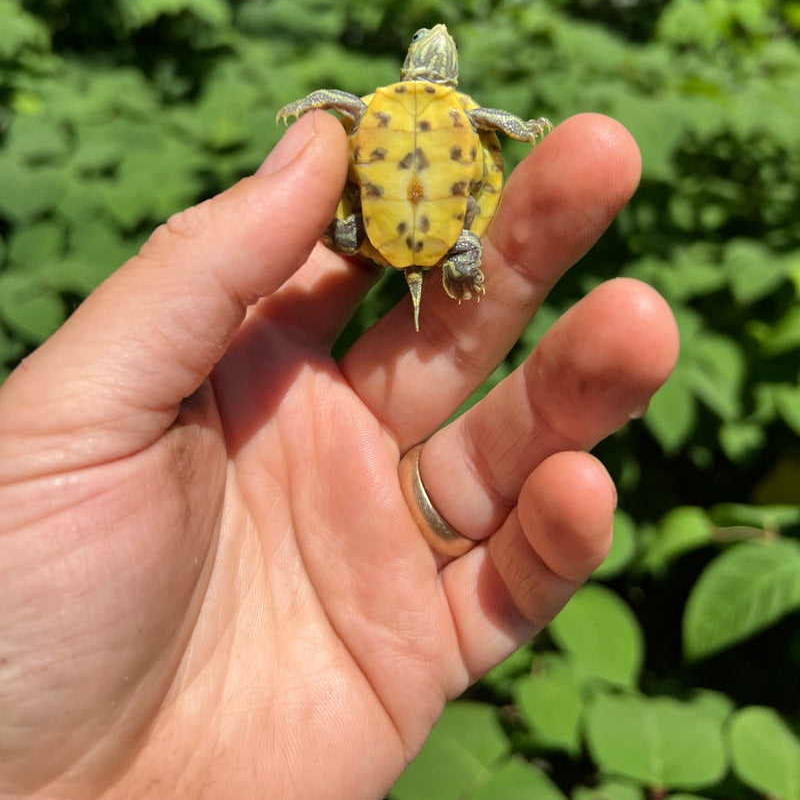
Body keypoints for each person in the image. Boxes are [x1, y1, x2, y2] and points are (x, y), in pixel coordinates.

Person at [0, 110, 678, 799]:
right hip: (441, 231)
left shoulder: (382, 112)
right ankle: (450, 253)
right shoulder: (454, 125)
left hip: (389, 224)